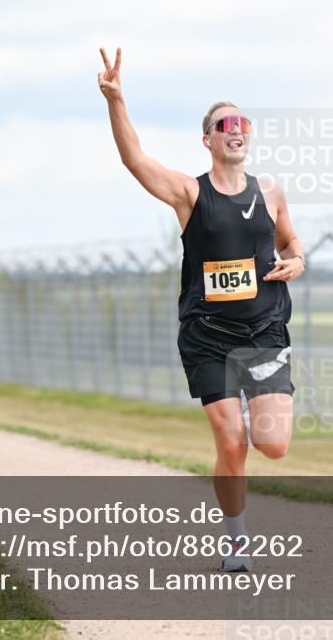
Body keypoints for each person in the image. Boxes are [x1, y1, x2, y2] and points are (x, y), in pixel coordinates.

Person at [98, 47, 305, 572]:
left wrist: (295, 261)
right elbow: (135, 160)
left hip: (264, 331)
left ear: (248, 134)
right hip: (208, 335)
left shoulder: (271, 192)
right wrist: (117, 101)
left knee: (273, 446)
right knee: (231, 441)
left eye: (241, 122)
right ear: (208, 138)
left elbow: (290, 244)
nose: (234, 129)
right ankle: (236, 540)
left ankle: (254, 431)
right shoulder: (191, 193)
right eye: (222, 123)